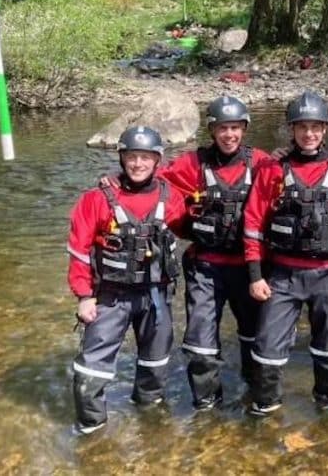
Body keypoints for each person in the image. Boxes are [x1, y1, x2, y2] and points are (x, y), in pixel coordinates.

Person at [243, 91, 328, 415]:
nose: (309, 134)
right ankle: (266, 406)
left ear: (326, 130)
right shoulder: (273, 171)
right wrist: (255, 275)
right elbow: (253, 223)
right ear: (292, 129)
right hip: (283, 276)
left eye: (315, 127)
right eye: (302, 127)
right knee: (267, 345)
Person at [67, 126, 187, 435]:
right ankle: (92, 432)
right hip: (111, 296)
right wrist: (84, 295)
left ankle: (149, 427)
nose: (138, 164)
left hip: (156, 295)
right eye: (132, 157)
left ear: (157, 160)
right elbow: (79, 250)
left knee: (156, 364)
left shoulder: (170, 196)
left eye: (146, 158)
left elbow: (191, 224)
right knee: (90, 370)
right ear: (122, 158)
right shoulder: (96, 198)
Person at [156, 96, 270, 410]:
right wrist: (183, 225)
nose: (229, 134)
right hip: (205, 266)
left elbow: (288, 181)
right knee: (200, 342)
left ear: (244, 129)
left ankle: (255, 392)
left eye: (235, 128)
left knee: (254, 336)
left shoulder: (260, 162)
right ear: (212, 130)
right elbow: (157, 185)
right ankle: (207, 405)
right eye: (222, 128)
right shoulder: (194, 163)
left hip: (249, 268)